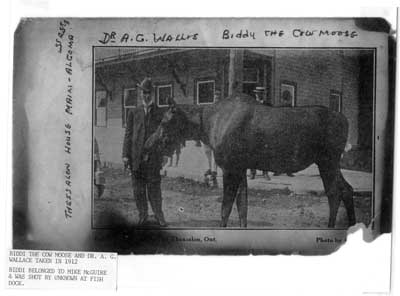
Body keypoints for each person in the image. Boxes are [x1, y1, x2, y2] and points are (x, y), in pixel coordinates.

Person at [122, 77, 167, 227]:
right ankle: (143, 215)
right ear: (140, 93)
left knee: (154, 188)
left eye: (149, 93)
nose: (146, 95)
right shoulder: (133, 112)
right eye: (144, 93)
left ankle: (159, 216)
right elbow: (128, 135)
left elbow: (164, 136)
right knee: (138, 189)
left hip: (153, 157)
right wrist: (125, 155)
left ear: (152, 93)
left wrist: (165, 154)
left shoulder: (160, 113)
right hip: (136, 157)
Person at [250, 86, 271, 180]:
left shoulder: (268, 105)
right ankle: (252, 173)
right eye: (258, 93)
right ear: (255, 94)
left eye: (261, 93)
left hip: (264, 130)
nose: (259, 95)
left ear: (264, 94)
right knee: (252, 152)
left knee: (264, 152)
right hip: (253, 130)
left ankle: (265, 173)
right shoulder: (251, 105)